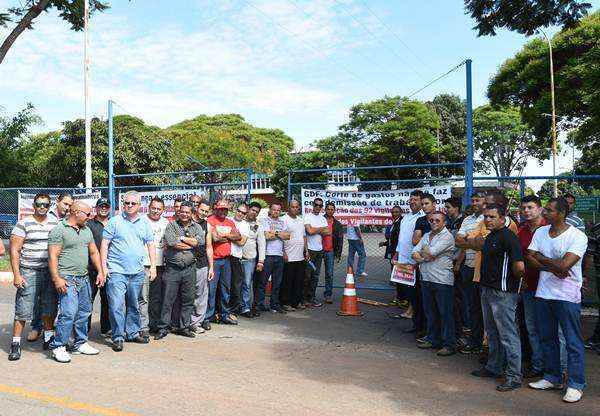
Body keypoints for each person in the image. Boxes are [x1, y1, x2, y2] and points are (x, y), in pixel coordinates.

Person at [527, 197, 588, 403]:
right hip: (544, 293)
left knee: (572, 340)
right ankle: (551, 377)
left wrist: (542, 258)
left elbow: (565, 266)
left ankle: (576, 384)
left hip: (567, 295)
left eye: (550, 210)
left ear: (562, 213)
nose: (545, 213)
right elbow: (529, 257)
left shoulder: (577, 236)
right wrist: (551, 265)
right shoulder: (540, 232)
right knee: (547, 338)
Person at [471, 203, 525, 393]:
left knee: (508, 335)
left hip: (502, 293)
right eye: (486, 216)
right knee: (492, 331)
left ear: (503, 218)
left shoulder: (510, 238)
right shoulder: (491, 236)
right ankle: (493, 367)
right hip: (487, 289)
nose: (487, 220)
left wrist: (513, 287)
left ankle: (514, 376)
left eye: (492, 217)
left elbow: (519, 267)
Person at [48, 202, 104, 363]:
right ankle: (58, 346)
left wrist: (100, 271)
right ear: (76, 212)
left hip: (84, 277)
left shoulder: (86, 230)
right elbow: (53, 256)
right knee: (68, 313)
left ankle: (80, 343)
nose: (90, 217)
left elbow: (93, 252)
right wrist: (56, 278)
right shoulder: (59, 230)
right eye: (87, 214)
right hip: (67, 278)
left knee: (84, 312)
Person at [101, 191, 156, 352]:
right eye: (127, 203)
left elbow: (150, 244)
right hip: (116, 271)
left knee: (133, 304)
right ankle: (118, 337)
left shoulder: (144, 223)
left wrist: (152, 266)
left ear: (139, 205)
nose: (130, 206)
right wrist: (104, 268)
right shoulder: (114, 221)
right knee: (117, 305)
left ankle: (132, 333)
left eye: (133, 203)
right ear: (123, 204)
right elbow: (104, 245)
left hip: (137, 272)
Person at [8, 193, 59, 361]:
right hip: (28, 270)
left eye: (45, 204)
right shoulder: (23, 224)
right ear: (34, 205)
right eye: (39, 204)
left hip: (49, 271)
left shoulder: (55, 223)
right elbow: (14, 251)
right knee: (23, 308)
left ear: (49, 206)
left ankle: (48, 338)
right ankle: (15, 343)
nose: (42, 207)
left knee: (49, 306)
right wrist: (17, 274)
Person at [155, 202, 205, 340]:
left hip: (190, 269)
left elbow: (199, 242)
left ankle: (183, 327)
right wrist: (190, 244)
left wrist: (182, 239)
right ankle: (163, 327)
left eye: (187, 212)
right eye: (182, 211)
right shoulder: (171, 225)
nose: (184, 214)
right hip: (173, 269)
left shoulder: (197, 226)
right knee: (167, 299)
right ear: (179, 212)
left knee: (188, 300)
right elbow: (171, 242)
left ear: (191, 213)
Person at [29, 191, 73, 342]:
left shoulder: (68, 219)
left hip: (60, 265)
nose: (67, 207)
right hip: (40, 264)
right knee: (38, 298)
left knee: (52, 300)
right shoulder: (49, 216)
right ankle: (36, 327)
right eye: (65, 203)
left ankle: (50, 329)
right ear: (57, 201)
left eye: (70, 205)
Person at [412, 212, 456, 356]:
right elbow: (415, 252)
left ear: (444, 223)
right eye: (431, 220)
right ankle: (433, 339)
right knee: (431, 312)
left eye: (437, 220)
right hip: (426, 278)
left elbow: (430, 253)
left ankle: (448, 344)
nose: (434, 222)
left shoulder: (447, 237)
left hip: (442, 280)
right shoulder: (426, 236)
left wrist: (424, 255)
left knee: (445, 314)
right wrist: (426, 256)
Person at [517, 195, 546, 379]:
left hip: (548, 288)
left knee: (550, 330)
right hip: (528, 286)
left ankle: (556, 368)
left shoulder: (548, 229)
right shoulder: (522, 231)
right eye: (524, 208)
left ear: (540, 209)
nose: (526, 211)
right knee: (532, 328)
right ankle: (538, 366)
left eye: (530, 207)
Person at [206, 200, 241, 326]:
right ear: (216, 209)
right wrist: (229, 235)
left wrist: (224, 236)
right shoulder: (210, 220)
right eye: (221, 209)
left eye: (225, 209)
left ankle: (224, 314)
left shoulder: (230, 222)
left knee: (226, 288)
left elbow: (238, 237)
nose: (223, 211)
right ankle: (209, 315)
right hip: (214, 260)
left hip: (227, 260)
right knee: (212, 289)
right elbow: (214, 238)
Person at [395, 190, 425, 330]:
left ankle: (415, 316)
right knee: (407, 288)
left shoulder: (423, 217)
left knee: (416, 289)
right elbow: (402, 238)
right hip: (402, 257)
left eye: (416, 200)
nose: (412, 202)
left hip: (415, 259)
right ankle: (410, 311)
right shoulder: (406, 217)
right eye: (411, 199)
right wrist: (396, 254)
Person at [140, 197, 169, 335]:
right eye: (153, 208)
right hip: (143, 265)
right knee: (142, 298)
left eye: (159, 209)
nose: (156, 211)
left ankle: (154, 324)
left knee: (156, 297)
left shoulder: (166, 223)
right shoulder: (140, 220)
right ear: (148, 208)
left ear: (163, 210)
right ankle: (142, 326)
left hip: (159, 265)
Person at [257, 202, 290, 313]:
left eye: (278, 210)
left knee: (277, 282)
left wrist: (274, 233)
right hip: (267, 255)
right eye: (274, 209)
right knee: (263, 282)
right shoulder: (264, 221)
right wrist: (279, 233)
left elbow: (287, 236)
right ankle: (260, 304)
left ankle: (274, 304)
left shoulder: (283, 222)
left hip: (279, 256)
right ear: (270, 210)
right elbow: (266, 236)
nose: (276, 212)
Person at [87, 198, 111, 337]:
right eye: (101, 206)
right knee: (87, 299)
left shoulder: (114, 223)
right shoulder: (89, 224)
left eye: (106, 206)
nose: (103, 208)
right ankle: (84, 329)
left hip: (108, 267)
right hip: (91, 268)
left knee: (107, 299)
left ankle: (106, 328)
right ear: (96, 208)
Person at [445, 196, 468, 343]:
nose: (446, 210)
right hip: (450, 261)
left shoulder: (461, 222)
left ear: (456, 208)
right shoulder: (450, 222)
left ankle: (461, 333)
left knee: (459, 299)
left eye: (448, 207)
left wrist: (458, 264)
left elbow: (463, 246)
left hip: (458, 263)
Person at [190, 200, 214, 331]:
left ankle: (196, 323)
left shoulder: (208, 226)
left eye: (206, 211)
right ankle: (184, 322)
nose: (204, 213)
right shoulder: (187, 221)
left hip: (202, 264)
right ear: (197, 208)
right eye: (202, 210)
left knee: (201, 295)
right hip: (187, 264)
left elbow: (209, 247)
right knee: (188, 295)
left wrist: (211, 267)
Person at [303, 198, 331, 307]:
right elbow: (309, 232)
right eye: (316, 205)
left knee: (315, 276)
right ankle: (304, 299)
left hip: (319, 251)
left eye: (320, 205)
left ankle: (312, 297)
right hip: (310, 250)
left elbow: (328, 232)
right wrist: (320, 230)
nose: (318, 207)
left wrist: (315, 229)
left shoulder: (322, 218)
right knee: (307, 276)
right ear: (313, 205)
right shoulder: (308, 216)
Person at [241, 202, 265, 318]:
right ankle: (235, 306)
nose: (254, 213)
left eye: (257, 212)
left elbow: (261, 243)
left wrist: (261, 261)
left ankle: (246, 307)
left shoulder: (258, 225)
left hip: (249, 258)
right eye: (253, 210)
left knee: (247, 284)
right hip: (235, 257)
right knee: (234, 284)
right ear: (248, 209)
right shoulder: (239, 221)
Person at [281, 200, 307, 311]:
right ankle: (285, 303)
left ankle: (296, 302)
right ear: (288, 207)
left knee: (298, 281)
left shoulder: (301, 220)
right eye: (292, 207)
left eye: (297, 207)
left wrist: (306, 250)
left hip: (300, 256)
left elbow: (304, 236)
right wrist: (283, 252)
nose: (295, 209)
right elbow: (280, 237)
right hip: (289, 256)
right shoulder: (283, 220)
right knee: (288, 281)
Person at [380, 205, 403, 306]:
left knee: (398, 275)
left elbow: (399, 239)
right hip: (392, 251)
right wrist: (385, 243)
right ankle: (400, 296)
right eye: (393, 212)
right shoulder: (394, 223)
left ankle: (401, 297)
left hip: (397, 253)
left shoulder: (401, 223)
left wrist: (396, 253)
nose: (394, 214)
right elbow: (392, 239)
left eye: (397, 212)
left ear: (401, 212)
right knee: (395, 274)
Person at [322, 202, 344, 304]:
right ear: (325, 210)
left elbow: (340, 240)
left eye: (332, 209)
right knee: (313, 273)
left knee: (329, 274)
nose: (330, 211)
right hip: (318, 250)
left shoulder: (337, 224)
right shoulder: (320, 220)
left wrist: (338, 254)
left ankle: (328, 295)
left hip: (330, 251)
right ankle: (309, 296)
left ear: (334, 211)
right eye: (328, 209)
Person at [229, 203, 248, 314]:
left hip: (236, 257)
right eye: (239, 211)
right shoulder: (228, 220)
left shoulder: (245, 225)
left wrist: (227, 236)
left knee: (236, 286)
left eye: (243, 213)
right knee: (224, 285)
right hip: (225, 256)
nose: (240, 214)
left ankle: (234, 311)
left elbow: (241, 242)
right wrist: (235, 236)